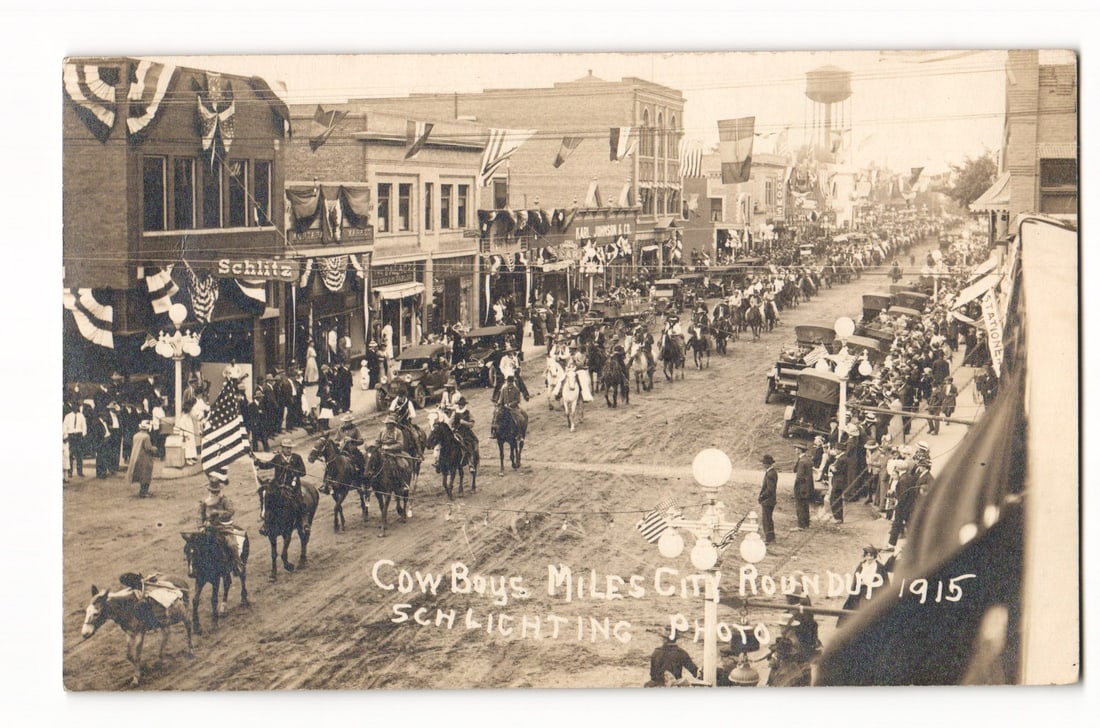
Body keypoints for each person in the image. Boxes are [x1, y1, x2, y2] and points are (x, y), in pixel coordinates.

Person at [199, 473, 246, 575]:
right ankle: (196, 566)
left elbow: (231, 511)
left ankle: (237, 564)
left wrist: (219, 514)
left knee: (232, 545)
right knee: (195, 544)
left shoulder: (225, 500)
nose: (214, 493)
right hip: (208, 527)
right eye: (212, 491)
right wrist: (201, 526)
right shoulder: (205, 502)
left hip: (223, 527)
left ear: (219, 491)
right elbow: (200, 516)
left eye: (216, 491)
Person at [125, 419, 158, 497]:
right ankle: (143, 492)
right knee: (146, 474)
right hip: (144, 457)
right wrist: (154, 448)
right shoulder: (146, 436)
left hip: (136, 456)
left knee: (140, 474)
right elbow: (148, 448)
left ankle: (142, 491)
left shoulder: (136, 435)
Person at [792, 444, 814, 530]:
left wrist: (796, 487)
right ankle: (806, 524)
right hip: (807, 486)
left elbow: (799, 476)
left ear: (800, 450)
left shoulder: (802, 461)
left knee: (800, 505)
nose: (795, 450)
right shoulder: (806, 459)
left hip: (801, 487)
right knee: (805, 505)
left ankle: (801, 525)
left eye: (796, 449)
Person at [64, 401, 87, 478]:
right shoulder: (68, 416)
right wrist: (66, 435)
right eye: (73, 406)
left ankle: (79, 471)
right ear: (71, 407)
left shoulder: (81, 416)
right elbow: (64, 426)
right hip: (71, 435)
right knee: (70, 454)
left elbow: (84, 426)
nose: (75, 408)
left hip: (78, 435)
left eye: (76, 406)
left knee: (79, 454)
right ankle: (70, 472)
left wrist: (83, 435)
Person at [758, 454, 778, 544]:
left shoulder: (770, 474)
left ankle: (768, 539)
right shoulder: (771, 472)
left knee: (766, 520)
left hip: (768, 500)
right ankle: (771, 537)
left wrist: (762, 496)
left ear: (767, 464)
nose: (763, 465)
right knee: (768, 519)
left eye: (764, 463)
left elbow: (770, 490)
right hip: (770, 500)